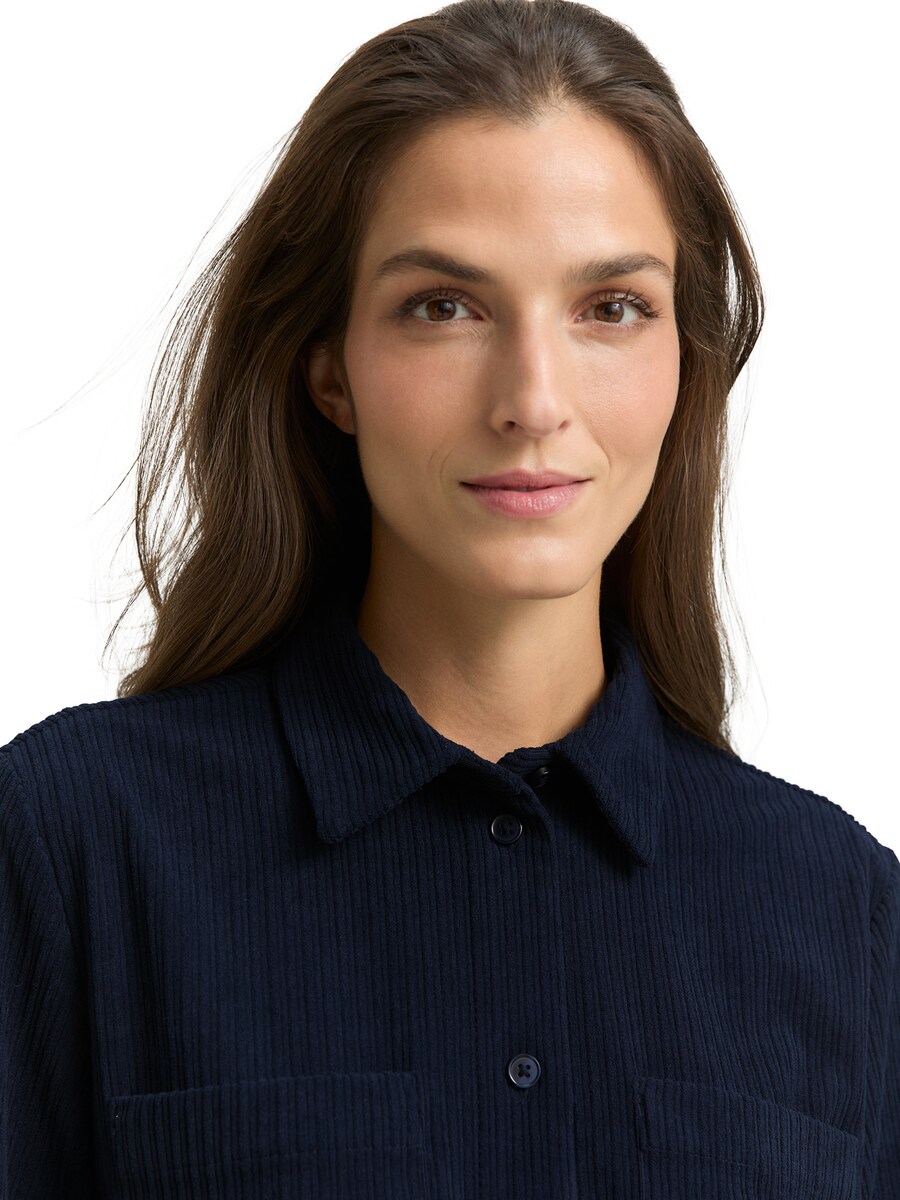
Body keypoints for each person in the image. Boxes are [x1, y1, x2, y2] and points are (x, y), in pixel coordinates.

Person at [1, 0, 896, 1195]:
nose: (534, 401)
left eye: (612, 309)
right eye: (445, 307)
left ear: (685, 363)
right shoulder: (71, 844)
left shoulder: (846, 911)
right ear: (330, 368)